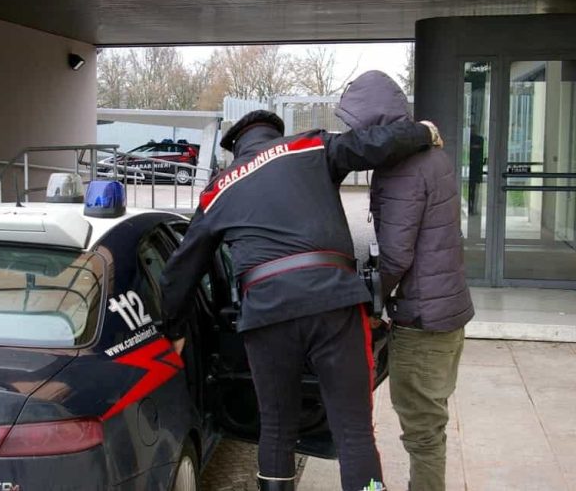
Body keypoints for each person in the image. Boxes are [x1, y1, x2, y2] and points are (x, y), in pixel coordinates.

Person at [159, 109, 442, 491]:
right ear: (277, 134)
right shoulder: (308, 145)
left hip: (267, 316)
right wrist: (421, 131)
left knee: (276, 430)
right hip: (334, 303)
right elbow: (371, 145)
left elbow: (180, 269)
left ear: (236, 148)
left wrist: (173, 328)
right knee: (354, 430)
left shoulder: (219, 188)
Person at [335, 71, 474, 491]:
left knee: (423, 435)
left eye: (357, 128)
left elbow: (395, 255)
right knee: (432, 426)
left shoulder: (401, 168)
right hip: (448, 311)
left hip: (422, 321)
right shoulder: (433, 156)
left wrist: (368, 302)